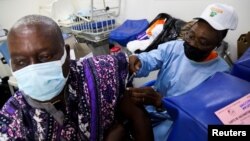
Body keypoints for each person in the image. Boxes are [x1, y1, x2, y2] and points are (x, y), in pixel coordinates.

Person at [0, 15, 154, 141]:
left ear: (66, 54)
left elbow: (137, 116)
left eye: (45, 57)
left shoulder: (102, 72)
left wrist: (138, 62)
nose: (33, 70)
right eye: (21, 62)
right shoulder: (13, 123)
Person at [127, 3, 238, 141]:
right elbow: (150, 58)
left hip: (176, 123)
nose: (192, 43)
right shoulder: (175, 48)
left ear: (217, 44)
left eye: (202, 42)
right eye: (191, 36)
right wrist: (138, 61)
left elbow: (200, 117)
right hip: (151, 109)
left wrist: (162, 103)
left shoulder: (221, 76)